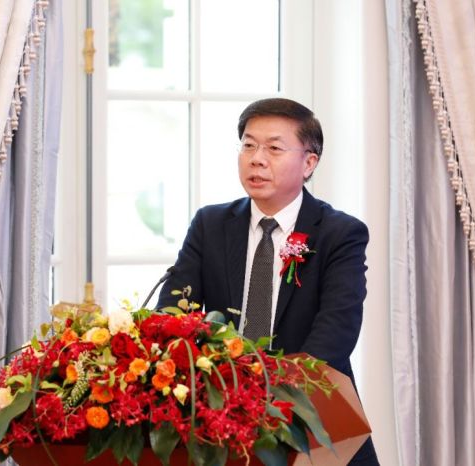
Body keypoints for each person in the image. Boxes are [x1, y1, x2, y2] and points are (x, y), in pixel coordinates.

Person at [157, 98, 379, 465]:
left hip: (312, 413)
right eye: (248, 145)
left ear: (309, 163)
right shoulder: (210, 225)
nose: (256, 159)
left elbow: (336, 331)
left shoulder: (339, 234)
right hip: (217, 417)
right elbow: (173, 312)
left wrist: (268, 396)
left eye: (274, 148)